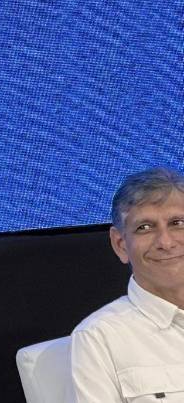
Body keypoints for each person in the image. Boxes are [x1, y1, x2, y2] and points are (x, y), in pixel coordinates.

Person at [71, 166, 184, 401]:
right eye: (145, 227)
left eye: (177, 223)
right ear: (121, 245)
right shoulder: (98, 338)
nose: (165, 242)